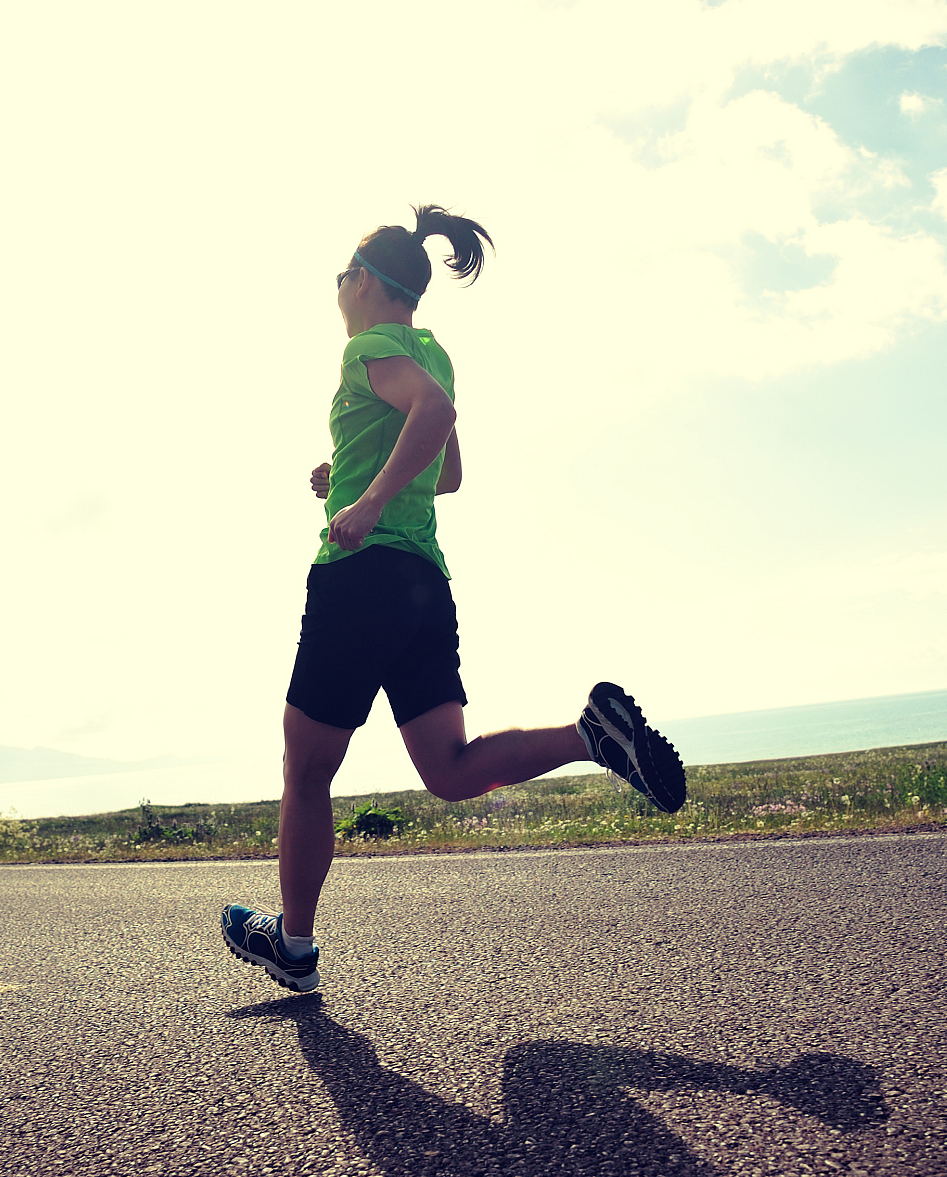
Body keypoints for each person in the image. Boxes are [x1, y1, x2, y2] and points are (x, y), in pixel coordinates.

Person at [222, 205, 687, 994]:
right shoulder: (429, 350)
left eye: (342, 276)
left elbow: (437, 420)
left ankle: (292, 947)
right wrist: (352, 478)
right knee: (449, 766)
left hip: (360, 578)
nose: (337, 290)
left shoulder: (365, 349)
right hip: (422, 590)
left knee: (306, 770)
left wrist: (363, 508)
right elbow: (447, 471)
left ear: (364, 282)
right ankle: (590, 735)